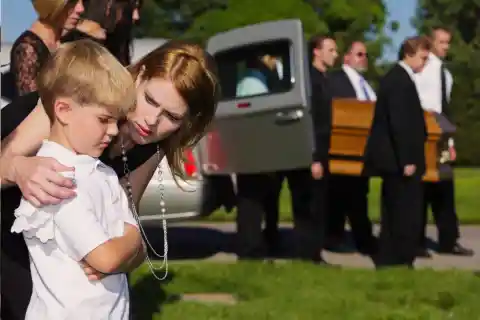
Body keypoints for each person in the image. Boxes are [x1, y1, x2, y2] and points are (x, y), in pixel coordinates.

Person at [0, 39, 219, 320]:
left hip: (65, 251)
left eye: (171, 117)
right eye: (150, 100)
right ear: (138, 75)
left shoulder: (151, 147)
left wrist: (129, 251)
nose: (152, 120)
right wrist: (18, 168)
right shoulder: (74, 106)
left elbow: (125, 220)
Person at [10, 39, 144, 320]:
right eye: (104, 119)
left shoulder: (102, 173)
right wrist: (132, 241)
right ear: (63, 111)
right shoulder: (54, 176)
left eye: (118, 121)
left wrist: (129, 245)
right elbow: (107, 258)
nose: (113, 131)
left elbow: (132, 248)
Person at [363, 36, 430, 268]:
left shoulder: (398, 78)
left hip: (395, 158)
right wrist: (408, 159)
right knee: (403, 210)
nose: (425, 63)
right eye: (423, 57)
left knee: (395, 209)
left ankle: (391, 256)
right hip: (399, 159)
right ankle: (399, 258)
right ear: (410, 53)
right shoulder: (399, 81)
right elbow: (399, 123)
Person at [414, 26, 474, 257]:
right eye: (441, 42)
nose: (445, 47)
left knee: (445, 189)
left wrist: (449, 144)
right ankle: (416, 240)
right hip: (424, 134)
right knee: (422, 189)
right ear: (430, 42)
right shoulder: (421, 69)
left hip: (441, 135)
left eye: (448, 42)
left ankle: (449, 240)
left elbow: (445, 110)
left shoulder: (446, 75)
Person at [327, 41, 377, 255]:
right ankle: (335, 237)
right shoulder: (335, 79)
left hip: (363, 149)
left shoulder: (366, 84)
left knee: (358, 196)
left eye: (365, 54)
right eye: (359, 54)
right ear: (346, 58)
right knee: (339, 196)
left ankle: (363, 239)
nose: (363, 58)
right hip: (343, 148)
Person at [9, 0, 84, 97]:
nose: (81, 9)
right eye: (71, 2)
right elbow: (29, 107)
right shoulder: (27, 50)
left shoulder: (72, 41)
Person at [308, 34, 338, 263]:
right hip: (316, 151)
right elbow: (312, 121)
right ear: (316, 52)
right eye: (331, 49)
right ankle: (311, 253)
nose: (335, 54)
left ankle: (315, 250)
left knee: (322, 203)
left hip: (326, 149)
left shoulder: (326, 79)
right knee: (313, 205)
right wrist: (314, 157)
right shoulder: (312, 80)